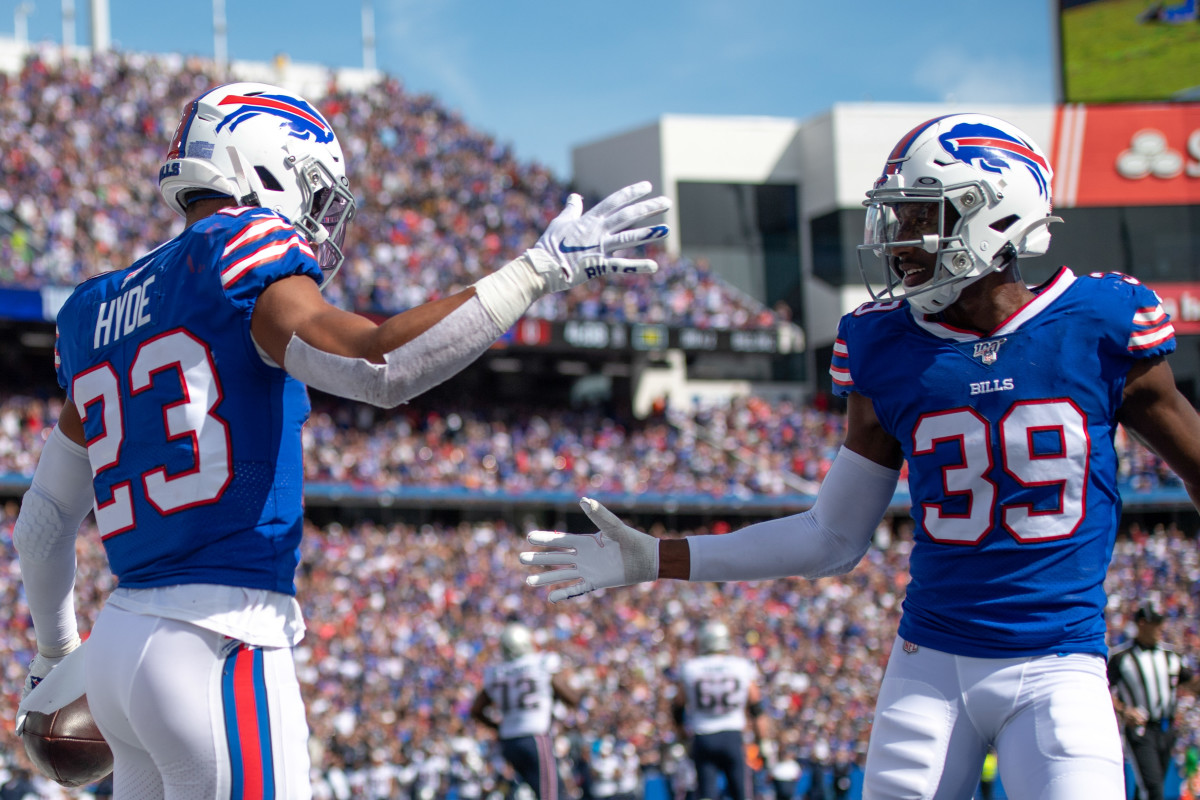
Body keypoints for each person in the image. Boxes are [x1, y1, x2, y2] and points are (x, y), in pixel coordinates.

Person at [11, 80, 669, 799]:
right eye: (317, 193)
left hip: (119, 648)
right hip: (220, 639)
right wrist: (539, 270)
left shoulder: (91, 309)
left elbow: (44, 524)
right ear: (263, 166)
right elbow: (380, 365)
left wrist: (54, 654)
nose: (322, 218)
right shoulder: (241, 250)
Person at [520, 112, 1200, 799]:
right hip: (929, 666)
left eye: (917, 217)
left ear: (993, 215)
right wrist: (658, 558)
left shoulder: (1103, 322)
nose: (897, 241)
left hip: (1060, 665)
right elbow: (832, 537)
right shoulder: (884, 345)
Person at [470, 622, 583, 800]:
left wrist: (498, 727)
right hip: (535, 737)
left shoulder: (498, 671)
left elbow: (476, 709)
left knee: (536, 791)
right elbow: (572, 698)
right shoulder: (540, 663)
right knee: (551, 795)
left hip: (508, 741)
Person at [1108, 601, 1200, 800]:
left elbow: (1192, 684)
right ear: (1142, 623)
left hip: (1167, 730)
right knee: (1153, 787)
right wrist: (1124, 711)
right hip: (1141, 729)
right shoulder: (1122, 658)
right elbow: (1104, 691)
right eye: (1156, 623)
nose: (1161, 628)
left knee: (1147, 787)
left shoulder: (1171, 655)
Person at [671, 621, 771, 800]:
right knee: (741, 793)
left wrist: (682, 738)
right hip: (732, 736)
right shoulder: (741, 665)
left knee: (707, 794)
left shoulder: (691, 667)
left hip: (703, 736)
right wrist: (762, 741)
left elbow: (678, 707)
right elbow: (756, 708)